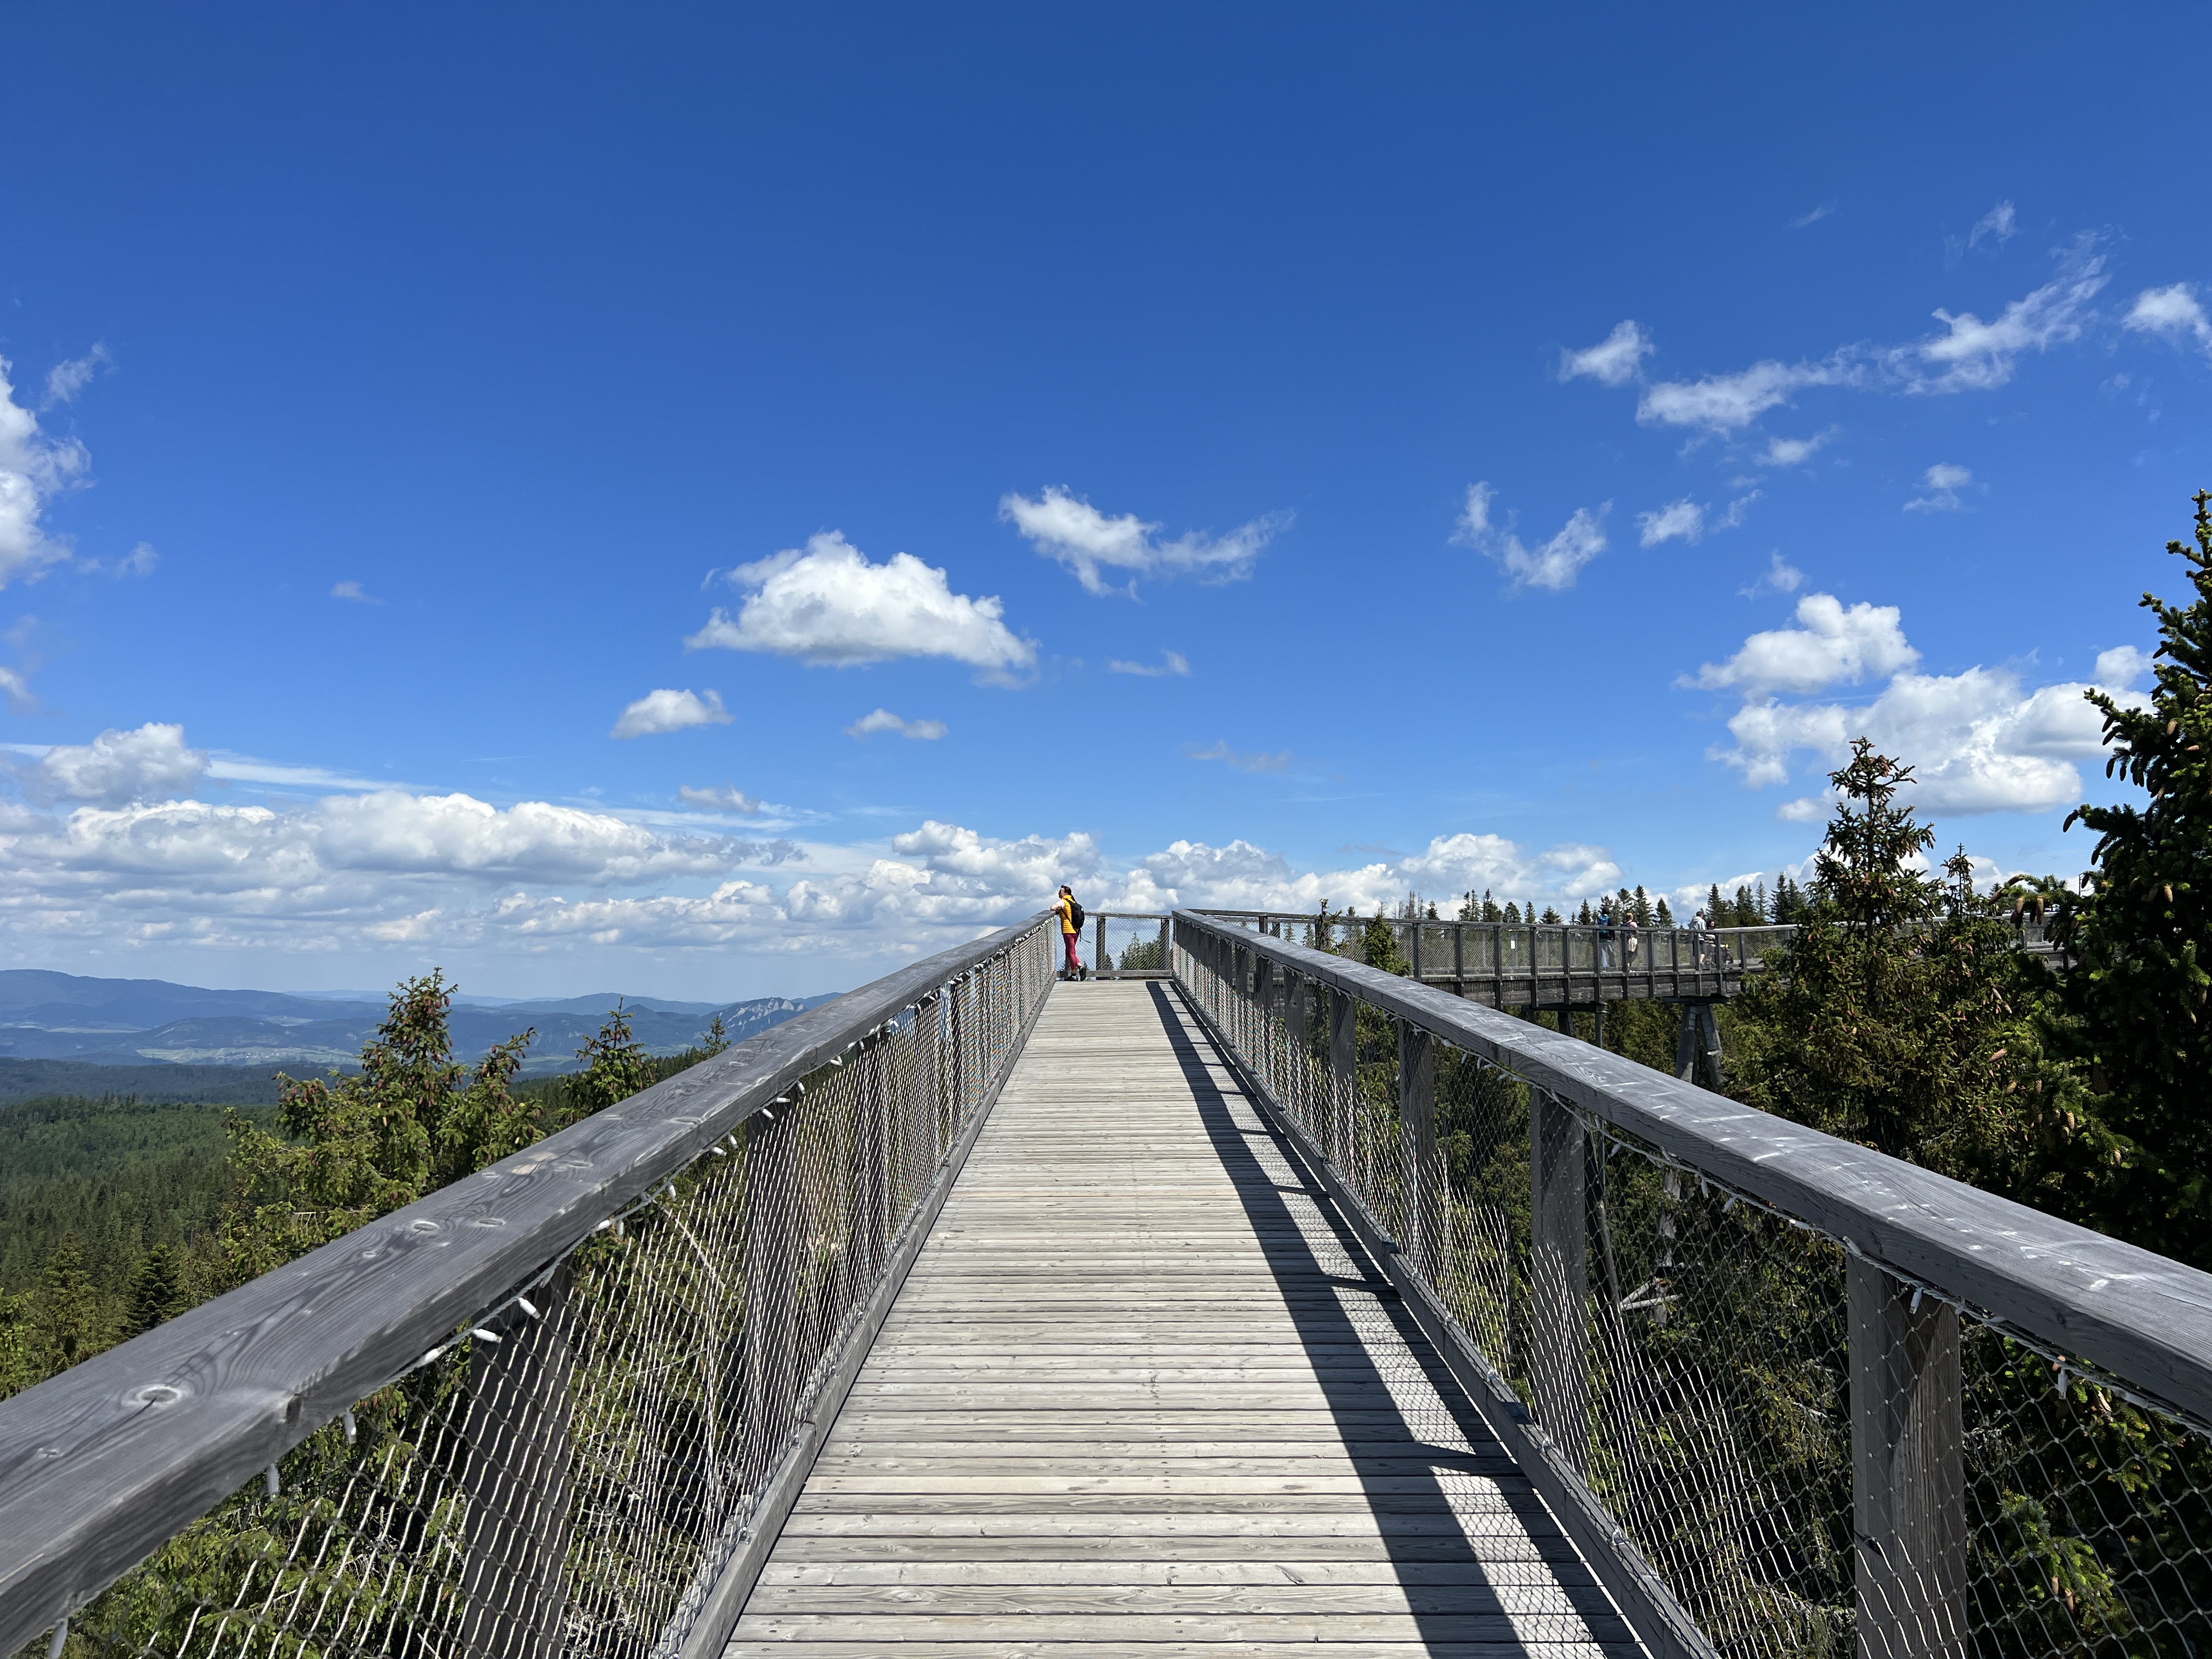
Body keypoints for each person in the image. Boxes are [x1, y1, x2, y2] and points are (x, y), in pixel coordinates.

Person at [1053, 885, 1084, 980]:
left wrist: (1056, 907)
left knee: (1071, 952)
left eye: (1061, 891)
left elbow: (1053, 908)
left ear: (1066, 894)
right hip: (1076, 930)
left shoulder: (1063, 901)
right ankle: (1080, 966)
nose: (1059, 893)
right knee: (1070, 951)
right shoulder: (1073, 901)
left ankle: (1074, 975)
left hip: (1068, 930)